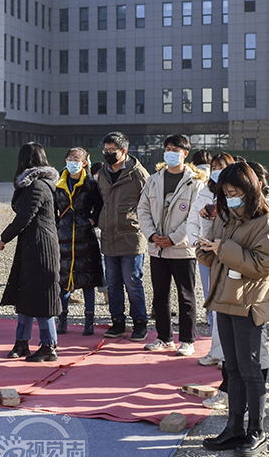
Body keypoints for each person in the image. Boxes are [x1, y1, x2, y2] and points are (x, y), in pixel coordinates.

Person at [197, 162, 269, 456]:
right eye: (226, 191)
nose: (230, 196)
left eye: (235, 191)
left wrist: (222, 248)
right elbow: (217, 256)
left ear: (250, 189)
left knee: (250, 368)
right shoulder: (225, 216)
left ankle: (256, 430)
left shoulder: (266, 222)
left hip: (248, 302)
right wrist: (206, 249)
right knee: (231, 368)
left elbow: (262, 265)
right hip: (223, 299)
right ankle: (234, 427)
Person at [137, 134, 203, 355]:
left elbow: (195, 217)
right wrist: (152, 235)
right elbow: (142, 210)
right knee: (159, 295)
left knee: (186, 295)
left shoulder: (195, 183)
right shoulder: (153, 179)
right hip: (157, 249)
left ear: (185, 153)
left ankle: (187, 340)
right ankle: (164, 337)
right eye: (167, 149)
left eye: (175, 149)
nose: (170, 153)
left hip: (182, 250)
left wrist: (174, 238)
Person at [0, 143, 63, 361]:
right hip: (30, 245)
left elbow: (24, 217)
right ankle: (22, 342)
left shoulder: (38, 186)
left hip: (41, 248)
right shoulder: (31, 185)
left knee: (43, 298)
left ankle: (49, 346)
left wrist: (4, 237)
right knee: (24, 295)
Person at [94, 131, 151, 341]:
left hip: (131, 237)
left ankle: (140, 323)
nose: (108, 154)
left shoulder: (138, 174)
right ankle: (117, 322)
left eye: (112, 151)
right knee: (113, 283)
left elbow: (149, 204)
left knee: (133, 281)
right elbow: (100, 200)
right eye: (106, 150)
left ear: (123, 151)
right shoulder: (103, 173)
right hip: (109, 236)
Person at [188, 152, 236, 367]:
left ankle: (229, 353)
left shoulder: (235, 195)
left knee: (228, 305)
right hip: (208, 255)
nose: (216, 171)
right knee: (212, 303)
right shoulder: (204, 193)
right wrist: (197, 242)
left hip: (229, 255)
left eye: (222, 166)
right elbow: (192, 220)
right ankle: (216, 350)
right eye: (213, 166)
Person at [54, 147, 104, 336]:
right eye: (69, 157)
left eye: (76, 158)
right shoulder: (58, 182)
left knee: (88, 279)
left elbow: (100, 207)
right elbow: (52, 207)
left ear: (84, 162)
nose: (72, 161)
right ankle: (62, 318)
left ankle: (89, 320)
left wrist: (91, 220)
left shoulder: (91, 184)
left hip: (85, 236)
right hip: (63, 235)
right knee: (63, 279)